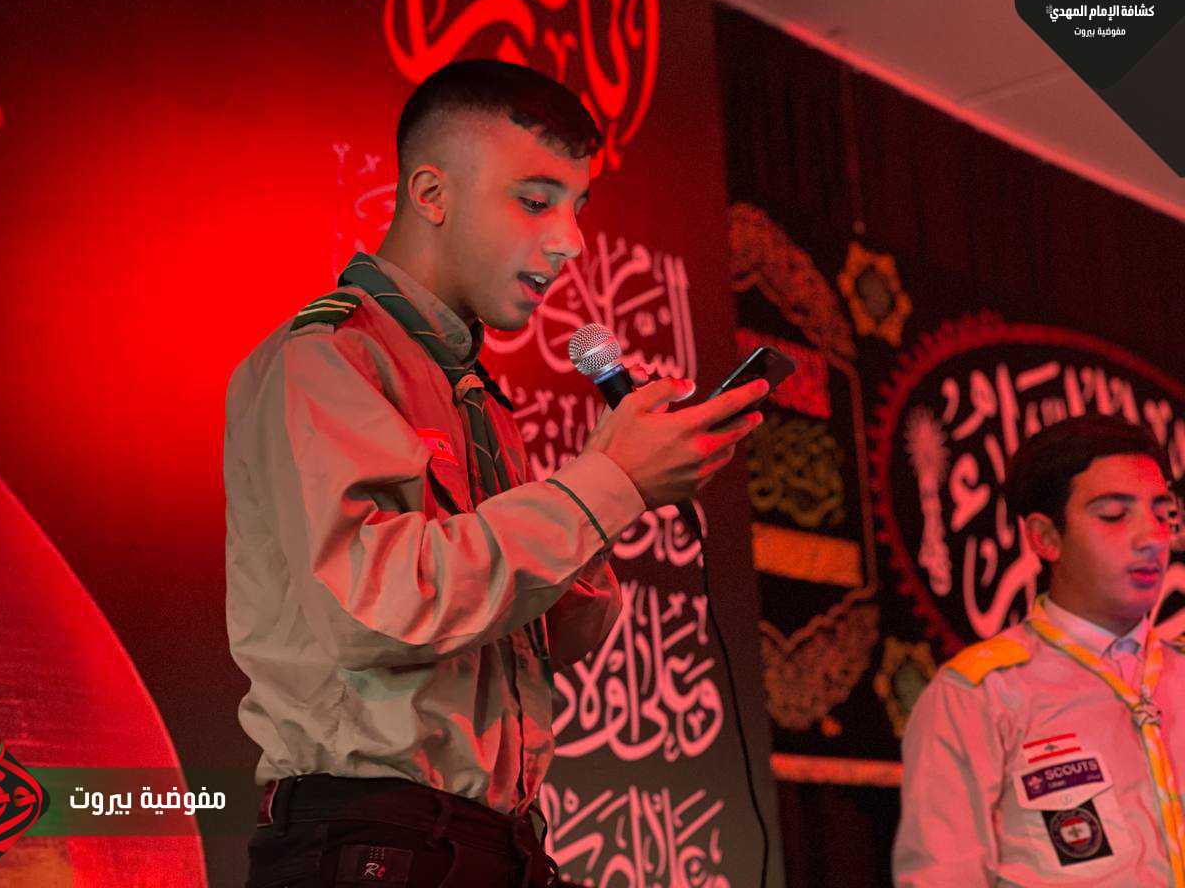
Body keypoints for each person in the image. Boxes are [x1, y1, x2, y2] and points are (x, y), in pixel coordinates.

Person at [225, 59, 767, 887]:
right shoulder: (328, 359)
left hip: (495, 838)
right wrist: (607, 484)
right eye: (536, 200)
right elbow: (376, 609)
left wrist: (616, 484)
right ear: (431, 194)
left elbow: (564, 636)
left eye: (578, 208)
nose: (570, 241)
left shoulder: (473, 395)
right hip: (374, 837)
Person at [893, 415, 1185, 886]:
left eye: (1161, 513)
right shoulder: (978, 696)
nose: (1152, 538)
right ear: (1046, 537)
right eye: (1114, 515)